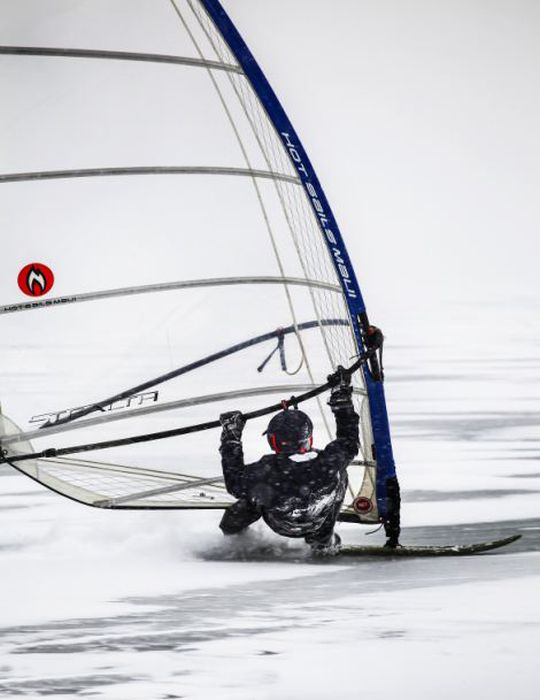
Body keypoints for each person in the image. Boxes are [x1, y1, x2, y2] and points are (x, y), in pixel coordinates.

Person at [218, 367, 359, 555]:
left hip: (280, 523)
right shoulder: (328, 462)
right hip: (318, 522)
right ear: (308, 439)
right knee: (340, 469)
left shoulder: (265, 470)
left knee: (254, 491)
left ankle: (236, 538)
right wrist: (342, 400)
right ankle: (323, 542)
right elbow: (349, 439)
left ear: (273, 442)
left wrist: (231, 436)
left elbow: (234, 484)